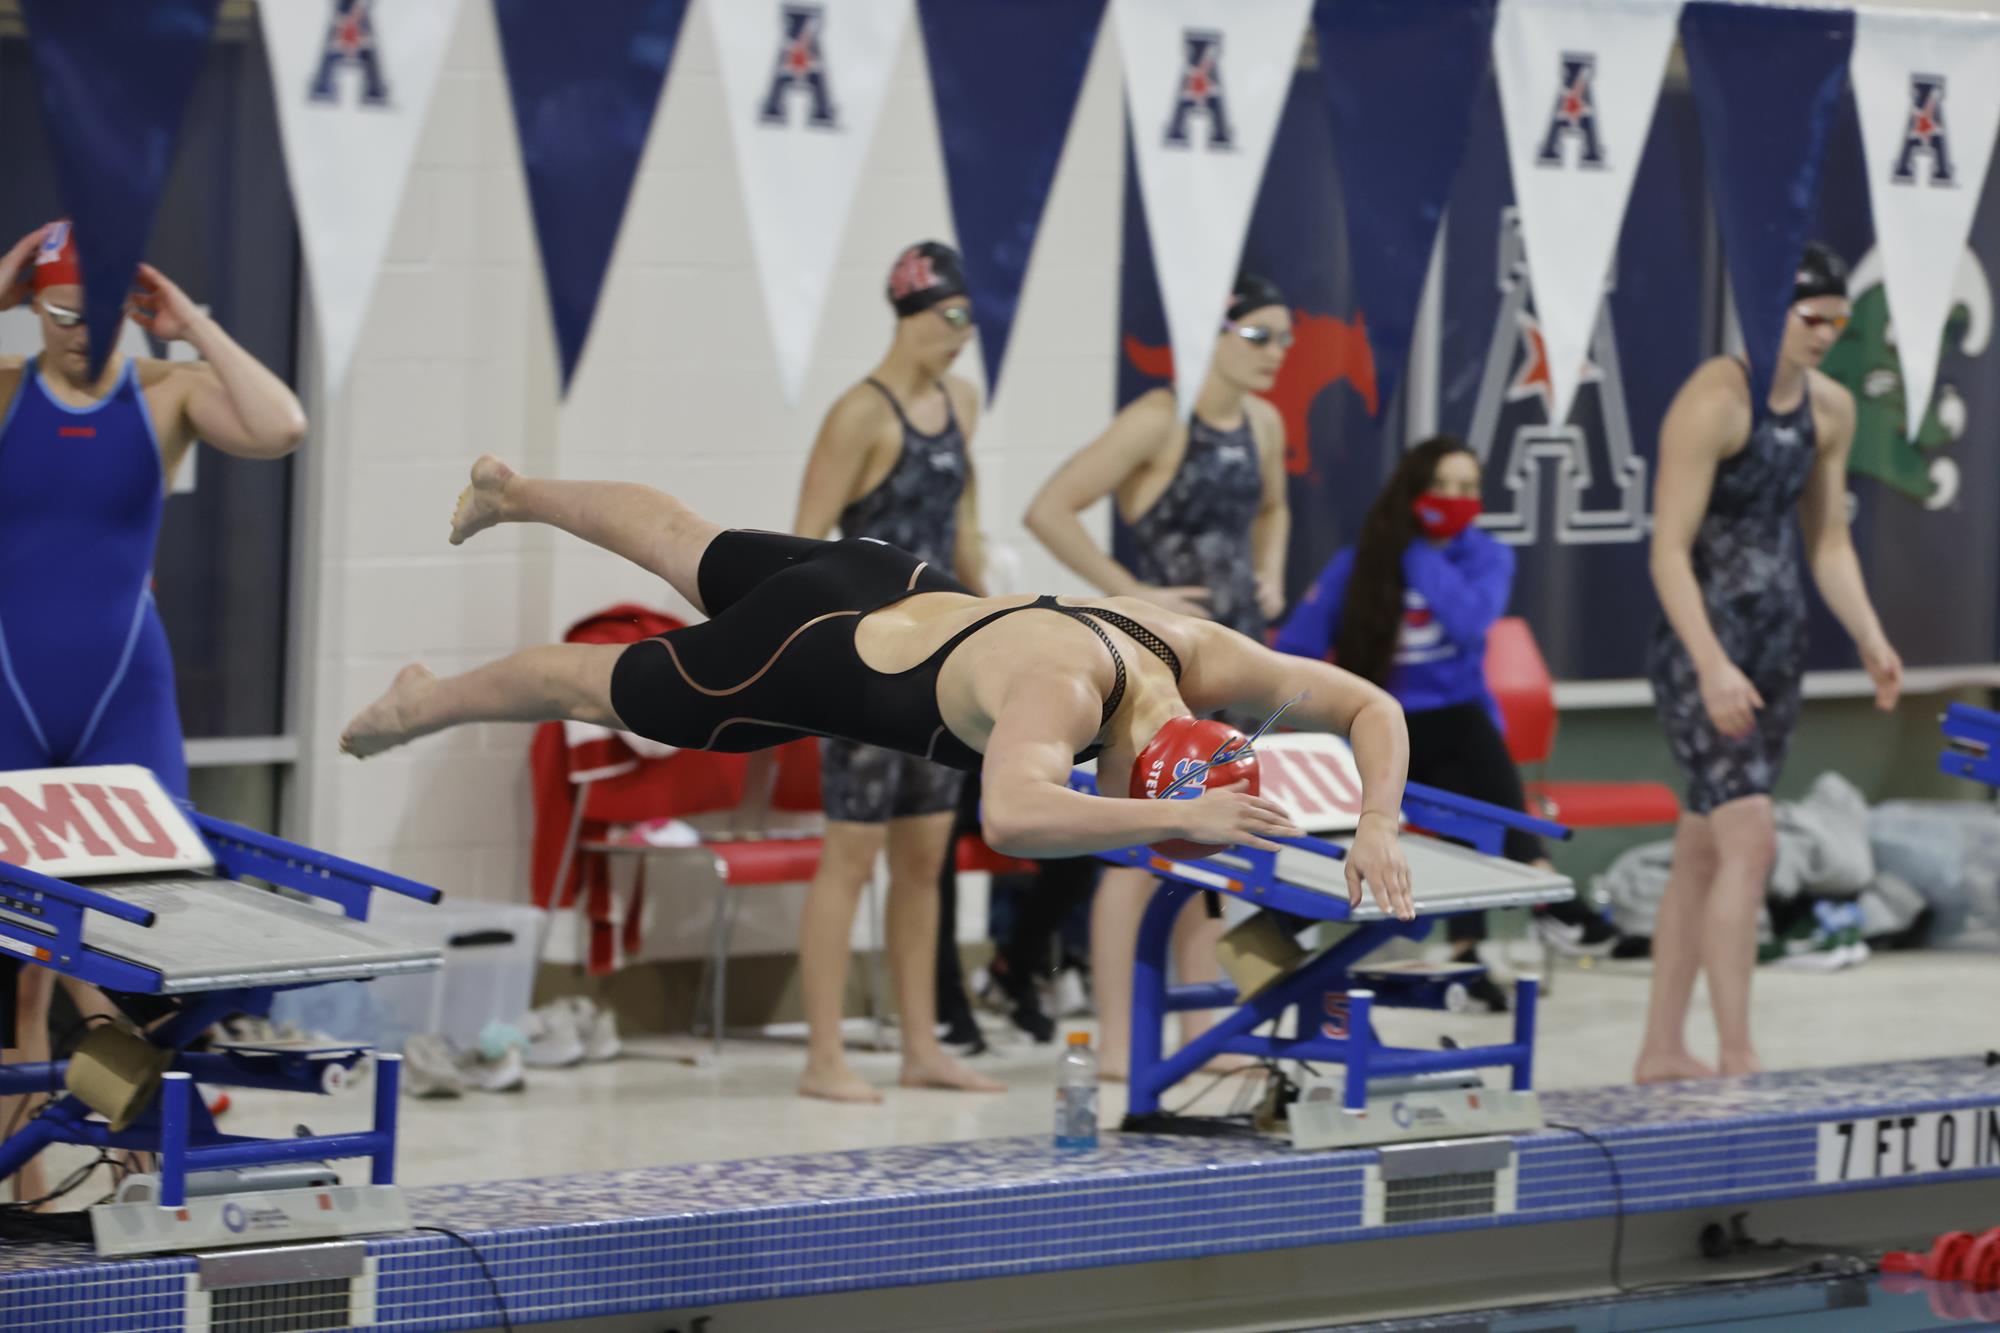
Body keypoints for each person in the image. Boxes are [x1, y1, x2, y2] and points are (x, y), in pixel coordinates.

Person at [340, 458, 1417, 932]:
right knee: (591, 685)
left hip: (886, 575)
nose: (1125, 814)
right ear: (1156, 765)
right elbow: (1014, 815)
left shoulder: (1191, 649)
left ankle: (514, 489)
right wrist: (1177, 815)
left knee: (679, 536)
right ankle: (423, 700)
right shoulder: (1064, 694)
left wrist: (1376, 820)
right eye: (1137, 803)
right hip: (800, 650)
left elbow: (1374, 705)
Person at [0, 221, 308, 1201]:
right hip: (8, 689)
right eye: (56, 311)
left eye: (96, 314)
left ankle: (147, 1171)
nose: (77, 333)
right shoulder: (8, 388)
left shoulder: (164, 390)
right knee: (12, 973)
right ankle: (22, 1179)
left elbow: (281, 426)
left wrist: (188, 327)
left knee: (142, 954)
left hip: (123, 692)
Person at [1636, 244, 1902, 1083]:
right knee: (1748, 840)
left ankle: (1661, 1047)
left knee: (1703, 848)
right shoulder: (1714, 400)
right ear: (1766, 310)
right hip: (1700, 650)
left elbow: (1827, 541)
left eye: (1837, 320)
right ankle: (1739, 1054)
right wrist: (1711, 662)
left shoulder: (1830, 409)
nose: (1826, 334)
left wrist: (1868, 633)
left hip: (1777, 649)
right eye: (1810, 317)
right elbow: (1669, 553)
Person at [1023, 271, 1291, 1079]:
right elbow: (1049, 507)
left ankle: (1196, 1028)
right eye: (1260, 336)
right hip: (1159, 665)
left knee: (1210, 841)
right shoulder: (1158, 418)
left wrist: (1269, 569)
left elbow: (1274, 507)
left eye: (1285, 340)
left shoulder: (1265, 423)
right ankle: (1114, 1036)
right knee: (1136, 846)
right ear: (1211, 332)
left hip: (1234, 653)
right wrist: (1125, 593)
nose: (1276, 354)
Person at [1275, 436, 1619, 1014]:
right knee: (1454, 773)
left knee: (1468, 765)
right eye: (1441, 487)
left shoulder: (1487, 555)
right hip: (1377, 731)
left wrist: (1415, 552)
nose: (1455, 499)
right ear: (1412, 491)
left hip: (1457, 728)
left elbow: (1468, 624)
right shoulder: (1358, 563)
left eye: (1468, 489)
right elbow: (1297, 649)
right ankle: (1543, 891)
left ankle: (1477, 948)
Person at [785, 241, 996, 1102]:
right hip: (867, 667)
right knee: (850, 857)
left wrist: (1001, 617)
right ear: (911, 315)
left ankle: (921, 1046)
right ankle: (823, 1057)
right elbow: (800, 548)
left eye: (970, 320)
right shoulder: (858, 416)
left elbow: (964, 530)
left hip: (942, 664)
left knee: (922, 861)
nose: (963, 337)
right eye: (952, 319)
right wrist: (814, 657)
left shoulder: (964, 406)